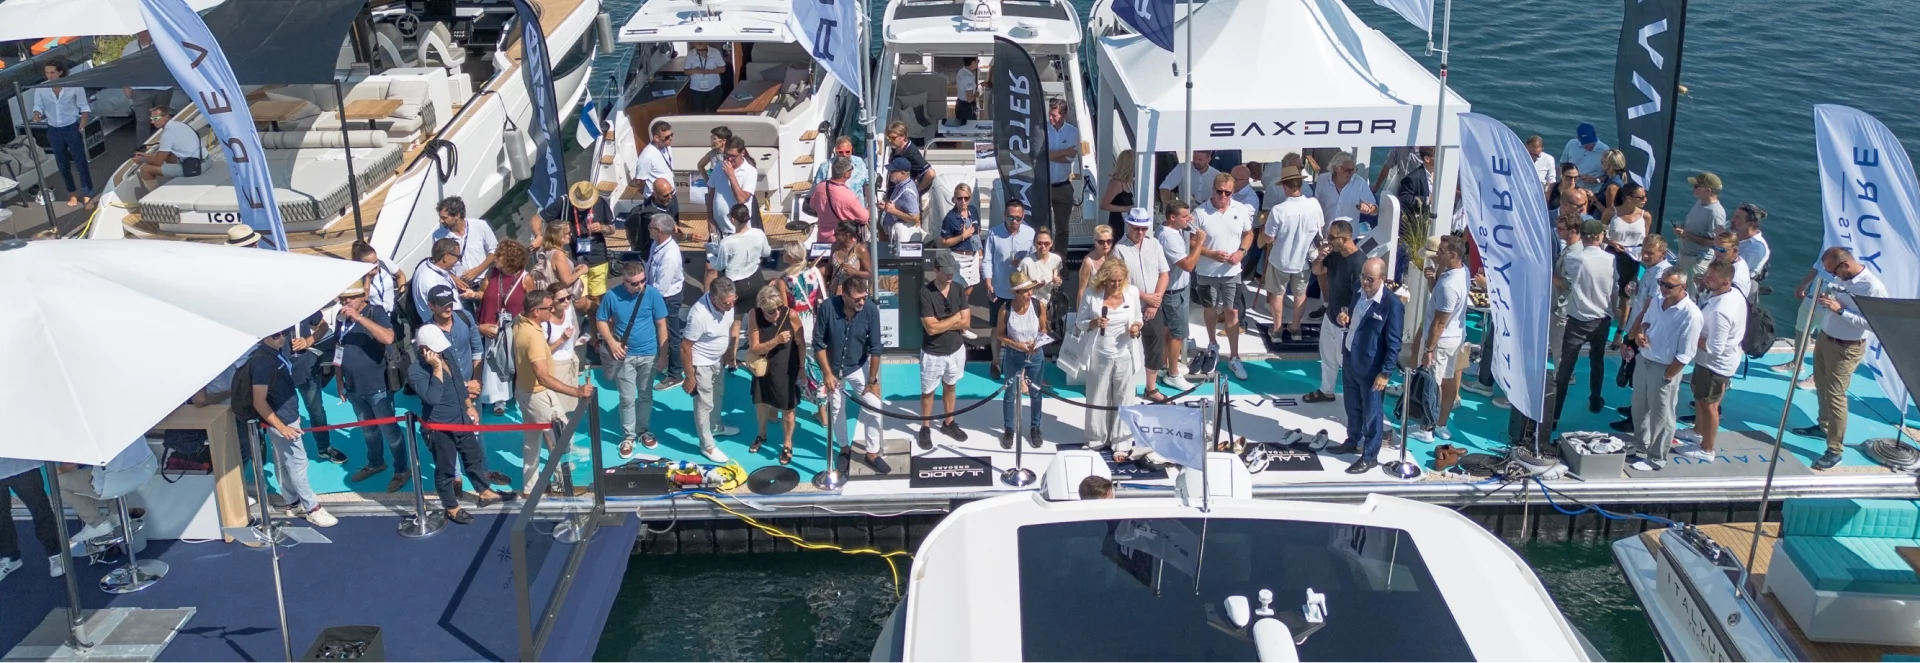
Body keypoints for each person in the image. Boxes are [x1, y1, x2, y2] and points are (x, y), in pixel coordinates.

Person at [1790, 247, 1888, 470]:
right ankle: (1823, 426)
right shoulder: (1842, 278)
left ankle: (1835, 450)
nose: (1833, 276)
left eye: (1833, 272)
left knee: (1835, 395)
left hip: (1847, 348)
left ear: (1845, 265)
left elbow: (1874, 323)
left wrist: (1841, 311)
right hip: (1826, 338)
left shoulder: (1872, 287)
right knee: (1821, 384)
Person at [410, 325, 510, 525]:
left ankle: (484, 491)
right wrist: (436, 368)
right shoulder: (415, 371)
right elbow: (432, 397)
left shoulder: (446, 355)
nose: (440, 352)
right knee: (445, 468)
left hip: (461, 419)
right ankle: (451, 507)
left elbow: (457, 382)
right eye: (436, 349)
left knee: (473, 457)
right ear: (423, 350)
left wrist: (469, 406)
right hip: (439, 427)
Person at [249, 330, 337, 527]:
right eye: (276, 335)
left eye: (284, 333)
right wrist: (282, 427)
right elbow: (259, 401)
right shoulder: (263, 362)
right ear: (264, 336)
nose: (282, 338)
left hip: (286, 417)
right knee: (298, 463)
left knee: (283, 461)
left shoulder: (274, 352)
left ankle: (293, 503)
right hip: (283, 421)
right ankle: (312, 508)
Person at [514, 289, 596, 491]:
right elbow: (542, 376)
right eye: (548, 308)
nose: (552, 311)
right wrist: (576, 391)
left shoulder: (520, 322)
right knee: (562, 438)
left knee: (531, 443)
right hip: (538, 395)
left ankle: (530, 488)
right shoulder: (533, 337)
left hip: (524, 391)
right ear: (536, 312)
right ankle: (562, 485)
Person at [1326, 258, 1401, 474]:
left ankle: (1370, 456)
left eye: (1370, 279)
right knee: (1352, 406)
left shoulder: (1392, 305)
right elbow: (1354, 319)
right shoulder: (1358, 292)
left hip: (1372, 368)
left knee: (1372, 413)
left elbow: (1394, 343)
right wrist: (1344, 317)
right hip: (1350, 358)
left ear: (1382, 279)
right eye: (1363, 277)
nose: (1365, 282)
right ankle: (1353, 440)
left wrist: (1385, 373)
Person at [1624, 269, 1703, 471]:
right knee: (1639, 408)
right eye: (1662, 283)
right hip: (1644, 361)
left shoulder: (1691, 315)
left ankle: (1656, 459)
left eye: (1669, 285)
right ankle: (1640, 444)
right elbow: (1646, 321)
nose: (1663, 288)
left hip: (1664, 368)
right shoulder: (1658, 300)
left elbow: (1686, 354)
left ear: (1683, 287)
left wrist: (1668, 376)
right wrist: (1641, 334)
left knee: (1662, 416)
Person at [334, 282, 410, 490]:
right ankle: (376, 463)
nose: (346, 302)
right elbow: (338, 349)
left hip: (378, 387)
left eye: (351, 297)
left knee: (390, 431)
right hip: (354, 387)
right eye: (343, 299)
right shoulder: (341, 318)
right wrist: (339, 380)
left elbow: (388, 337)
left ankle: (401, 470)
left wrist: (359, 318)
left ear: (363, 296)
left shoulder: (376, 312)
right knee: (368, 430)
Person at [815, 276, 889, 473]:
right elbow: (818, 343)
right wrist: (827, 374)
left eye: (864, 297)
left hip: (858, 366)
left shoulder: (870, 310)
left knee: (874, 406)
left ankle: (872, 453)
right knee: (837, 409)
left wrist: (872, 380)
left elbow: (876, 348)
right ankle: (844, 449)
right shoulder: (827, 308)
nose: (862, 302)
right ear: (844, 296)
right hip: (833, 370)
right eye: (857, 299)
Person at [1678, 260, 1748, 462]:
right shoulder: (1731, 294)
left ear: (1726, 281)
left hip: (1714, 365)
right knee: (1700, 397)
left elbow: (1715, 347)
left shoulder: (1721, 311)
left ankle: (1707, 449)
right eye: (1707, 275)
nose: (1706, 280)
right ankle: (1698, 431)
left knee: (1710, 406)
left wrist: (1691, 335)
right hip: (1711, 362)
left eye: (1712, 278)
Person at [598, 261, 669, 456]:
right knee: (627, 398)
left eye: (643, 281)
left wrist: (663, 355)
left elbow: (661, 324)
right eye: (635, 283)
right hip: (624, 355)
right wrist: (612, 343)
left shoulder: (652, 294)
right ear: (624, 281)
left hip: (649, 353)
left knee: (645, 394)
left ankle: (643, 431)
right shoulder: (612, 296)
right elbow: (601, 320)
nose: (640, 286)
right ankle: (628, 436)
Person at [1552, 219, 1617, 425]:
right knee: (1597, 361)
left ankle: (1554, 416)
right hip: (1602, 319)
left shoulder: (1574, 258)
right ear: (1599, 236)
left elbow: (1567, 281)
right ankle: (1595, 400)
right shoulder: (1610, 259)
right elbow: (1614, 289)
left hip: (1578, 320)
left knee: (1565, 368)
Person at [1081, 259, 1147, 459]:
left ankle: (1121, 442)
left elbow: (1139, 318)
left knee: (1124, 398)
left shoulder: (1132, 293)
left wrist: (1136, 327)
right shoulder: (1091, 294)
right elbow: (1080, 323)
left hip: (1125, 354)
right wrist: (1094, 322)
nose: (1116, 284)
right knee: (1097, 397)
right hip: (1099, 353)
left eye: (1120, 280)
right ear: (1104, 279)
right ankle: (1096, 439)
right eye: (1112, 281)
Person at [1193, 172, 1256, 380]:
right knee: (1209, 310)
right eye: (1219, 191)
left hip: (1232, 273)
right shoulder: (1200, 212)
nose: (1223, 196)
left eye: (1227, 193)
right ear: (1213, 190)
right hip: (1206, 271)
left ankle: (1235, 356)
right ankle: (1212, 344)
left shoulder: (1241, 210)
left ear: (1233, 192)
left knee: (1232, 312)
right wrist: (1211, 254)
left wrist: (1242, 252)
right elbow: (1192, 242)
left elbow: (1249, 233)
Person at [1411, 237, 1471, 442]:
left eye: (1441, 252)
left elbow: (1439, 323)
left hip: (1441, 341)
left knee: (1432, 385)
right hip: (1455, 338)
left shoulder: (1449, 285)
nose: (1438, 254)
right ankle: (1441, 424)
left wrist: (1429, 349)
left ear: (1453, 255)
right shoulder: (1462, 272)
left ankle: (1427, 429)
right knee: (1448, 381)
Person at [1261, 165, 1324, 342]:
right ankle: (1296, 329)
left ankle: (1277, 330)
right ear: (1300, 185)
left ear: (1284, 187)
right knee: (1300, 295)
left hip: (1280, 260)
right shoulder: (1314, 205)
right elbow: (1320, 228)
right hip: (1303, 260)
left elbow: (1268, 238)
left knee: (1277, 294)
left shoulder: (1279, 210)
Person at [917, 252, 971, 449]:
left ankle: (949, 422)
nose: (950, 276)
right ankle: (925, 427)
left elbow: (966, 322)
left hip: (956, 350)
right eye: (946, 272)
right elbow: (931, 328)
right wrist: (955, 319)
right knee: (928, 391)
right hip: (933, 353)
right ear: (936, 270)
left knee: (950, 386)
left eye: (952, 272)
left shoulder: (959, 288)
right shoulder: (925, 293)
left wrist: (944, 323)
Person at [1114, 209, 1170, 401]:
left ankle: (1151, 388)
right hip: (1130, 306)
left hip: (1153, 306)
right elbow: (1119, 282)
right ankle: (1122, 387)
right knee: (1125, 347)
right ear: (1129, 225)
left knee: (1155, 345)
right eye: (1137, 228)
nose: (1140, 232)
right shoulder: (1119, 249)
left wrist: (1155, 301)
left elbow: (1164, 274)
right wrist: (1146, 297)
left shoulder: (1154, 244)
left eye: (1144, 229)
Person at [684, 277, 740, 462]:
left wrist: (728, 353)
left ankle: (715, 427)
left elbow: (728, 328)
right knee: (704, 403)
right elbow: (685, 347)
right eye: (726, 303)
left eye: (733, 300)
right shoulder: (698, 315)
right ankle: (706, 445)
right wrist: (690, 377)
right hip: (701, 363)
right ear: (713, 298)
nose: (731, 306)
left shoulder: (728, 304)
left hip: (717, 360)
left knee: (718, 395)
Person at [747, 285, 804, 464]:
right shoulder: (754, 315)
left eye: (779, 308)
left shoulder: (791, 315)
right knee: (761, 404)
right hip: (763, 368)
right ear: (762, 309)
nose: (777, 313)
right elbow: (755, 348)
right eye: (771, 311)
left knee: (788, 410)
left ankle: (787, 443)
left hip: (786, 369)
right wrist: (777, 341)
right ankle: (761, 434)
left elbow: (801, 343)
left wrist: (802, 368)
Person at [476, 240, 534, 415]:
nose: (495, 259)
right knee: (494, 362)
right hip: (491, 327)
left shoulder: (526, 279)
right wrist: (473, 295)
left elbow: (532, 306)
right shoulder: (491, 274)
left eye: (499, 256)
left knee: (515, 363)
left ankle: (518, 395)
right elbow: (482, 294)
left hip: (515, 329)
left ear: (510, 259)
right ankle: (497, 399)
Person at [983, 200, 1036, 379]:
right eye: (1011, 218)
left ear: (1023, 216)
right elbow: (987, 260)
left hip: (1022, 291)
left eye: (1018, 218)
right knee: (997, 327)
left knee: (1023, 328)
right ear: (1004, 216)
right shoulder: (994, 233)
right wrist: (988, 282)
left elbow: (1035, 258)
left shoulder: (1030, 233)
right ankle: (995, 362)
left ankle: (1022, 366)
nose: (1014, 221)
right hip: (1000, 288)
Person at [32, 60, 94, 208]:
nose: (49, 76)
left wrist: (81, 128)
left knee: (81, 163)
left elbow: (84, 108)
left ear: (60, 72)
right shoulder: (41, 88)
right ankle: (72, 193)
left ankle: (88, 194)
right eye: (47, 73)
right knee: (62, 164)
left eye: (52, 72)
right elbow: (37, 107)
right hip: (54, 130)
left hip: (72, 127)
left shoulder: (75, 86)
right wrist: (36, 114)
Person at [998, 271, 1049, 448]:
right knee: (1010, 393)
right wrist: (1016, 345)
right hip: (1013, 355)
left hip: (1035, 354)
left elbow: (1043, 329)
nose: (1030, 293)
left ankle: (1035, 428)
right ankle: (1009, 429)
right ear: (1016, 292)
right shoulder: (1005, 309)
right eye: (1026, 290)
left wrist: (1036, 343)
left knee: (1035, 392)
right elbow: (1000, 335)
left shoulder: (1038, 305)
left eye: (1031, 289)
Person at [1155, 202, 1203, 392]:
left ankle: (1164, 365)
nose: (1188, 220)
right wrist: (1199, 243)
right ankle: (1173, 374)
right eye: (1184, 216)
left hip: (1171, 291)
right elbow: (1189, 265)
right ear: (1172, 217)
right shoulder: (1170, 238)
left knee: (1167, 331)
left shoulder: (1167, 230)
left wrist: (1188, 223)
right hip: (1174, 293)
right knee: (1178, 334)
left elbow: (1184, 224)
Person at [645, 215, 688, 390]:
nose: (648, 229)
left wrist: (646, 301)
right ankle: (665, 362)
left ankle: (675, 374)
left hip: (668, 299)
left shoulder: (669, 255)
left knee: (672, 336)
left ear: (659, 231)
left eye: (651, 227)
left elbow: (661, 288)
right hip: (659, 295)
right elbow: (650, 267)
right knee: (664, 334)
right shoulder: (657, 244)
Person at [0, 460, 62, 581]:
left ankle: (56, 554)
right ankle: (10, 557)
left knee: (40, 510)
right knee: (1, 517)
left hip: (21, 464)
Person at [557, 181, 615, 302]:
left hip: (598, 257)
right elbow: (539, 218)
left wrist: (602, 228)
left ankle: (595, 314)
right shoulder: (565, 203)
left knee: (596, 298)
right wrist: (539, 235)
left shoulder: (600, 202)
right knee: (579, 300)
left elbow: (612, 229)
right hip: (575, 259)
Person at [1673, 172, 1727, 297]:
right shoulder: (1700, 202)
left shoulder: (1715, 213)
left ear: (1708, 190)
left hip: (1697, 261)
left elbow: (1715, 242)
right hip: (1686, 256)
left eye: (1696, 186)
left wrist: (1687, 235)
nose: (1693, 189)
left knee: (1692, 295)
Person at [1605, 183, 1651, 325]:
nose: (1645, 200)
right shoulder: (1611, 213)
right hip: (1612, 255)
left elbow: (1645, 239)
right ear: (1628, 198)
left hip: (1633, 258)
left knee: (1627, 294)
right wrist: (1612, 242)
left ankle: (1620, 330)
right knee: (1607, 289)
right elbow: (1600, 235)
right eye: (1641, 197)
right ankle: (1605, 321)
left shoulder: (1646, 216)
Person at [132, 104, 205, 194]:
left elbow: (158, 162)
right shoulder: (180, 124)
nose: (152, 122)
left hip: (195, 168)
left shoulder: (167, 135)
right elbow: (163, 155)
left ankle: (156, 196)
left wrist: (142, 159)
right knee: (169, 156)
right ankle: (176, 183)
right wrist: (146, 155)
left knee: (145, 169)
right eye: (151, 119)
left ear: (166, 117)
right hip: (204, 161)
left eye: (155, 118)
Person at [718, 203, 771, 321]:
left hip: (737, 286)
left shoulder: (726, 242)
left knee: (736, 322)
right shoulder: (759, 233)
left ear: (732, 220)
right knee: (758, 318)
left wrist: (710, 255)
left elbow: (719, 266)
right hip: (757, 280)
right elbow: (766, 253)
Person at [119, 32, 173, 145]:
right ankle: (143, 148)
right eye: (140, 32)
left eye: (145, 31)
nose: (142, 34)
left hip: (161, 88)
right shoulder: (130, 47)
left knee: (159, 119)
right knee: (143, 120)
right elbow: (123, 68)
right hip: (140, 89)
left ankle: (165, 145)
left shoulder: (160, 43)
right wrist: (125, 86)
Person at [434, 197, 500, 288]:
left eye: (444, 218)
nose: (441, 221)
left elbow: (495, 250)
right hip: (462, 287)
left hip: (485, 281)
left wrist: (478, 270)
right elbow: (438, 263)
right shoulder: (438, 236)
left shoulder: (480, 226)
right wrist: (452, 278)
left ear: (457, 215)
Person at [633, 122, 677, 246]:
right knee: (659, 233)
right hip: (657, 201)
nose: (670, 139)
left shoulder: (667, 148)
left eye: (671, 135)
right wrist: (650, 193)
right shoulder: (647, 156)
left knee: (674, 227)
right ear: (656, 138)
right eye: (667, 137)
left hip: (670, 195)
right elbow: (640, 181)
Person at [810, 156, 870, 244]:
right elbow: (864, 218)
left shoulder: (819, 188)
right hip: (842, 242)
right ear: (846, 174)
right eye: (851, 168)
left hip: (822, 240)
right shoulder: (848, 195)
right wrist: (869, 209)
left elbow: (813, 206)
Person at [939, 183, 984, 297]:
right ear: (954, 199)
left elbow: (977, 233)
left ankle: (963, 305)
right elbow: (943, 242)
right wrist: (962, 236)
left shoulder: (973, 211)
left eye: (966, 198)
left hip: (973, 256)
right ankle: (957, 306)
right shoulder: (950, 218)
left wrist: (980, 256)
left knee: (971, 286)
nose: (963, 201)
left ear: (970, 198)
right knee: (956, 289)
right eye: (959, 198)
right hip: (958, 257)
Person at [1046, 98, 1081, 239]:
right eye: (1049, 114)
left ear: (1063, 115)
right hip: (1043, 186)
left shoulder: (1073, 132)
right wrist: (1064, 152)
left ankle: (1060, 253)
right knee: (1042, 228)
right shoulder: (1041, 129)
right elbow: (1039, 156)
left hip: (1063, 185)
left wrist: (1048, 155)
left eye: (1054, 115)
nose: (1050, 118)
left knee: (1063, 229)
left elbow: (1069, 158)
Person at [1313, 151, 1378, 226]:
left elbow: (1375, 211)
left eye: (1353, 170)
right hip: (1326, 231)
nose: (1351, 173)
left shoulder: (1360, 183)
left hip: (1348, 232)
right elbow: (1316, 205)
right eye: (1347, 170)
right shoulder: (1322, 180)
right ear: (1335, 168)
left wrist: (1369, 209)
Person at [710, 137, 759, 236]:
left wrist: (731, 175)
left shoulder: (750, 171)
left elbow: (742, 199)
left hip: (738, 231)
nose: (729, 159)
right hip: (718, 229)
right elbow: (711, 195)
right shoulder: (718, 167)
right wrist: (710, 221)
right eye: (726, 155)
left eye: (733, 156)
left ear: (742, 153)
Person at [810, 137, 870, 202]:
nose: (844, 155)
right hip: (834, 206)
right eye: (840, 152)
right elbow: (816, 188)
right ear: (836, 150)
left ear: (851, 149)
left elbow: (868, 183)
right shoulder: (825, 166)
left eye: (847, 152)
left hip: (856, 206)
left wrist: (870, 205)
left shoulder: (859, 163)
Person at [885, 121, 936, 193]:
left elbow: (931, 174)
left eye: (893, 138)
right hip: (894, 190)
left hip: (903, 193)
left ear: (903, 136)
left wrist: (916, 190)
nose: (890, 141)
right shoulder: (896, 147)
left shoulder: (912, 154)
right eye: (888, 138)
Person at [879, 157, 922, 242]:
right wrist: (886, 206)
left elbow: (915, 217)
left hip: (900, 238)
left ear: (903, 173)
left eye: (893, 171)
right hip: (891, 236)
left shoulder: (908, 192)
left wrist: (893, 211)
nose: (890, 173)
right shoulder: (900, 184)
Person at [1099, 149, 1138, 239]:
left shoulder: (1129, 182)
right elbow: (1103, 205)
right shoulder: (1116, 183)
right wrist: (1127, 208)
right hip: (1118, 223)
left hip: (1127, 222)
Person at [1560, 123, 1610, 189]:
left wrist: (1596, 180)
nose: (1588, 146)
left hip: (1592, 191)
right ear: (1578, 138)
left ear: (1595, 134)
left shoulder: (1605, 150)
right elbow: (1563, 164)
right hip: (1569, 188)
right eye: (1584, 143)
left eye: (1591, 142)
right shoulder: (1571, 144)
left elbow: (1610, 175)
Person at [685, 42, 728, 113]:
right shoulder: (690, 54)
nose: (700, 52)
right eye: (698, 50)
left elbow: (722, 69)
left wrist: (710, 71)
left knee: (714, 112)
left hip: (714, 87)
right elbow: (686, 71)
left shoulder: (715, 52)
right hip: (696, 89)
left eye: (703, 50)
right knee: (698, 113)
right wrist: (695, 70)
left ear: (707, 46)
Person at [1076, 224, 1115, 302]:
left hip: (1111, 302)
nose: (1105, 245)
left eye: (1109, 241)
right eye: (1101, 242)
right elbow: (1082, 290)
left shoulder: (1115, 257)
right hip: (1094, 302)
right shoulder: (1088, 262)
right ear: (1095, 242)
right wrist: (1080, 309)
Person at [1733, 203, 1771, 278]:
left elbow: (1736, 271)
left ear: (1750, 224)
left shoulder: (1757, 247)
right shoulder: (1735, 233)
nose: (1733, 220)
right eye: (1734, 216)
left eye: (1738, 218)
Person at [1596, 150, 1630, 221]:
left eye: (1602, 162)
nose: (1600, 164)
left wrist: (1594, 200)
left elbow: (1610, 214)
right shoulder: (1614, 178)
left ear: (1609, 165)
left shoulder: (1612, 187)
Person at [953, 57, 981, 124]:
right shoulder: (969, 76)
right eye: (977, 61)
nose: (978, 63)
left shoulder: (960, 72)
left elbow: (964, 86)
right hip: (966, 107)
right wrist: (977, 94)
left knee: (961, 127)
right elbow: (970, 99)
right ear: (973, 62)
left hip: (959, 104)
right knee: (971, 127)